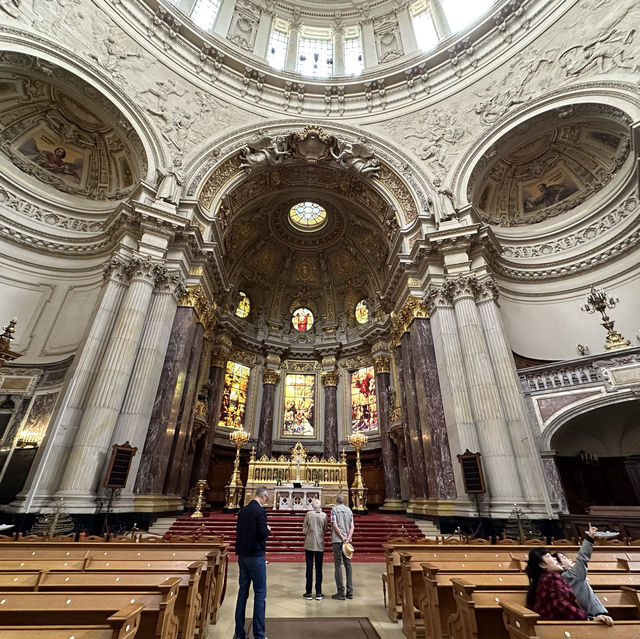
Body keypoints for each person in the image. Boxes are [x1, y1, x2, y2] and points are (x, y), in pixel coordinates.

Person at [525, 547, 611, 625]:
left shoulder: (542, 580)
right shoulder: (552, 577)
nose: (555, 558)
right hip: (561, 626)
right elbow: (560, 605)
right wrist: (588, 619)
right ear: (542, 565)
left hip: (552, 625)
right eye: (549, 556)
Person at [552, 523, 614, 625]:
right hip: (596, 614)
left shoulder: (562, 577)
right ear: (561, 565)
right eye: (564, 558)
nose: (569, 559)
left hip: (587, 615)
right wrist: (590, 538)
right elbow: (582, 557)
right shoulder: (570, 575)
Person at [234, 486, 271, 639]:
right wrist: (268, 529)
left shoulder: (243, 511)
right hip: (256, 556)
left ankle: (240, 633)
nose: (265, 502)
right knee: (260, 594)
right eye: (265, 499)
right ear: (262, 497)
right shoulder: (260, 511)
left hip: (242, 556)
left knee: (242, 593)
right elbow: (262, 533)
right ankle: (259, 635)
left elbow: (238, 530)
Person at [302, 498, 328, 600]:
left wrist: (308, 532)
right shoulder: (324, 515)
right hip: (319, 544)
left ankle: (308, 592)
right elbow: (325, 529)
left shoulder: (309, 514)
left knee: (309, 567)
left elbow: (304, 527)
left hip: (309, 543)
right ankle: (319, 592)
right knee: (319, 568)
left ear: (313, 506)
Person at [330, 493, 354, 600]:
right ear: (343, 501)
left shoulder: (334, 510)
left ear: (336, 500)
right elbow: (352, 526)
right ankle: (350, 591)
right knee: (348, 565)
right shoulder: (349, 510)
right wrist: (347, 538)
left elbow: (334, 524)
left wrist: (342, 537)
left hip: (337, 540)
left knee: (338, 565)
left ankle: (340, 592)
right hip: (347, 542)